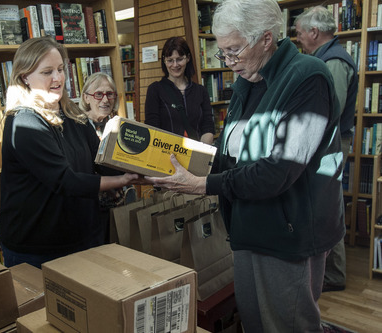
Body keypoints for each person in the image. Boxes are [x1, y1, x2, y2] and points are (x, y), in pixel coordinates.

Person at [142, 0, 345, 331]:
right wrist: (174, 161)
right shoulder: (248, 80)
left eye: (234, 50)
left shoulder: (308, 77)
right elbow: (228, 151)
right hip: (247, 225)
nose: (228, 62)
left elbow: (277, 171)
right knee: (253, 322)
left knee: (287, 324)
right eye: (223, 52)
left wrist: (201, 185)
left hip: (288, 233)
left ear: (266, 39)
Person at [0, 36, 138, 268]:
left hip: (83, 237)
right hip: (37, 249)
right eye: (47, 72)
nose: (58, 78)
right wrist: (121, 180)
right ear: (25, 77)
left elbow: (100, 160)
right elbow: (65, 181)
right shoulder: (24, 122)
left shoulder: (73, 114)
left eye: (61, 69)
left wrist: (141, 166)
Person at [295, 6, 358, 293]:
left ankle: (333, 274)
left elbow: (332, 109)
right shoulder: (330, 57)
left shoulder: (332, 61)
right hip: (331, 141)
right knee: (327, 202)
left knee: (327, 204)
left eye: (299, 33)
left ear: (314, 32)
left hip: (331, 143)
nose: (297, 39)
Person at [79, 72, 125, 241]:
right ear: (86, 98)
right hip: (90, 210)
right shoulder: (78, 127)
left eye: (110, 94)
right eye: (98, 94)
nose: (105, 100)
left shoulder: (117, 124)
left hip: (117, 206)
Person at [144, 36, 215, 145]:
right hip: (166, 155)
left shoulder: (201, 91)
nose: (175, 65)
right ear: (164, 61)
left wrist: (200, 156)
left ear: (188, 58)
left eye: (179, 59)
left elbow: (208, 127)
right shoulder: (155, 90)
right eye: (170, 60)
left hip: (196, 155)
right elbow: (152, 129)